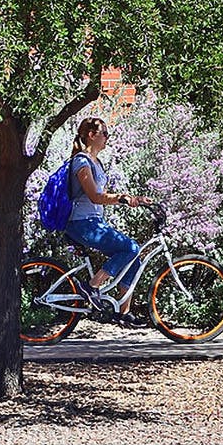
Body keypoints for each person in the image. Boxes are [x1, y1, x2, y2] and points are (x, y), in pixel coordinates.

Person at [64, 117, 153, 312]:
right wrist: (123, 198)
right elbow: (95, 196)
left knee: (133, 258)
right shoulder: (81, 161)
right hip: (81, 222)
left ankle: (123, 312)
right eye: (104, 133)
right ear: (91, 135)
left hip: (94, 222)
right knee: (131, 247)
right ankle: (91, 286)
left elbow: (102, 197)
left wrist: (133, 199)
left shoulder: (97, 163)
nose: (107, 137)